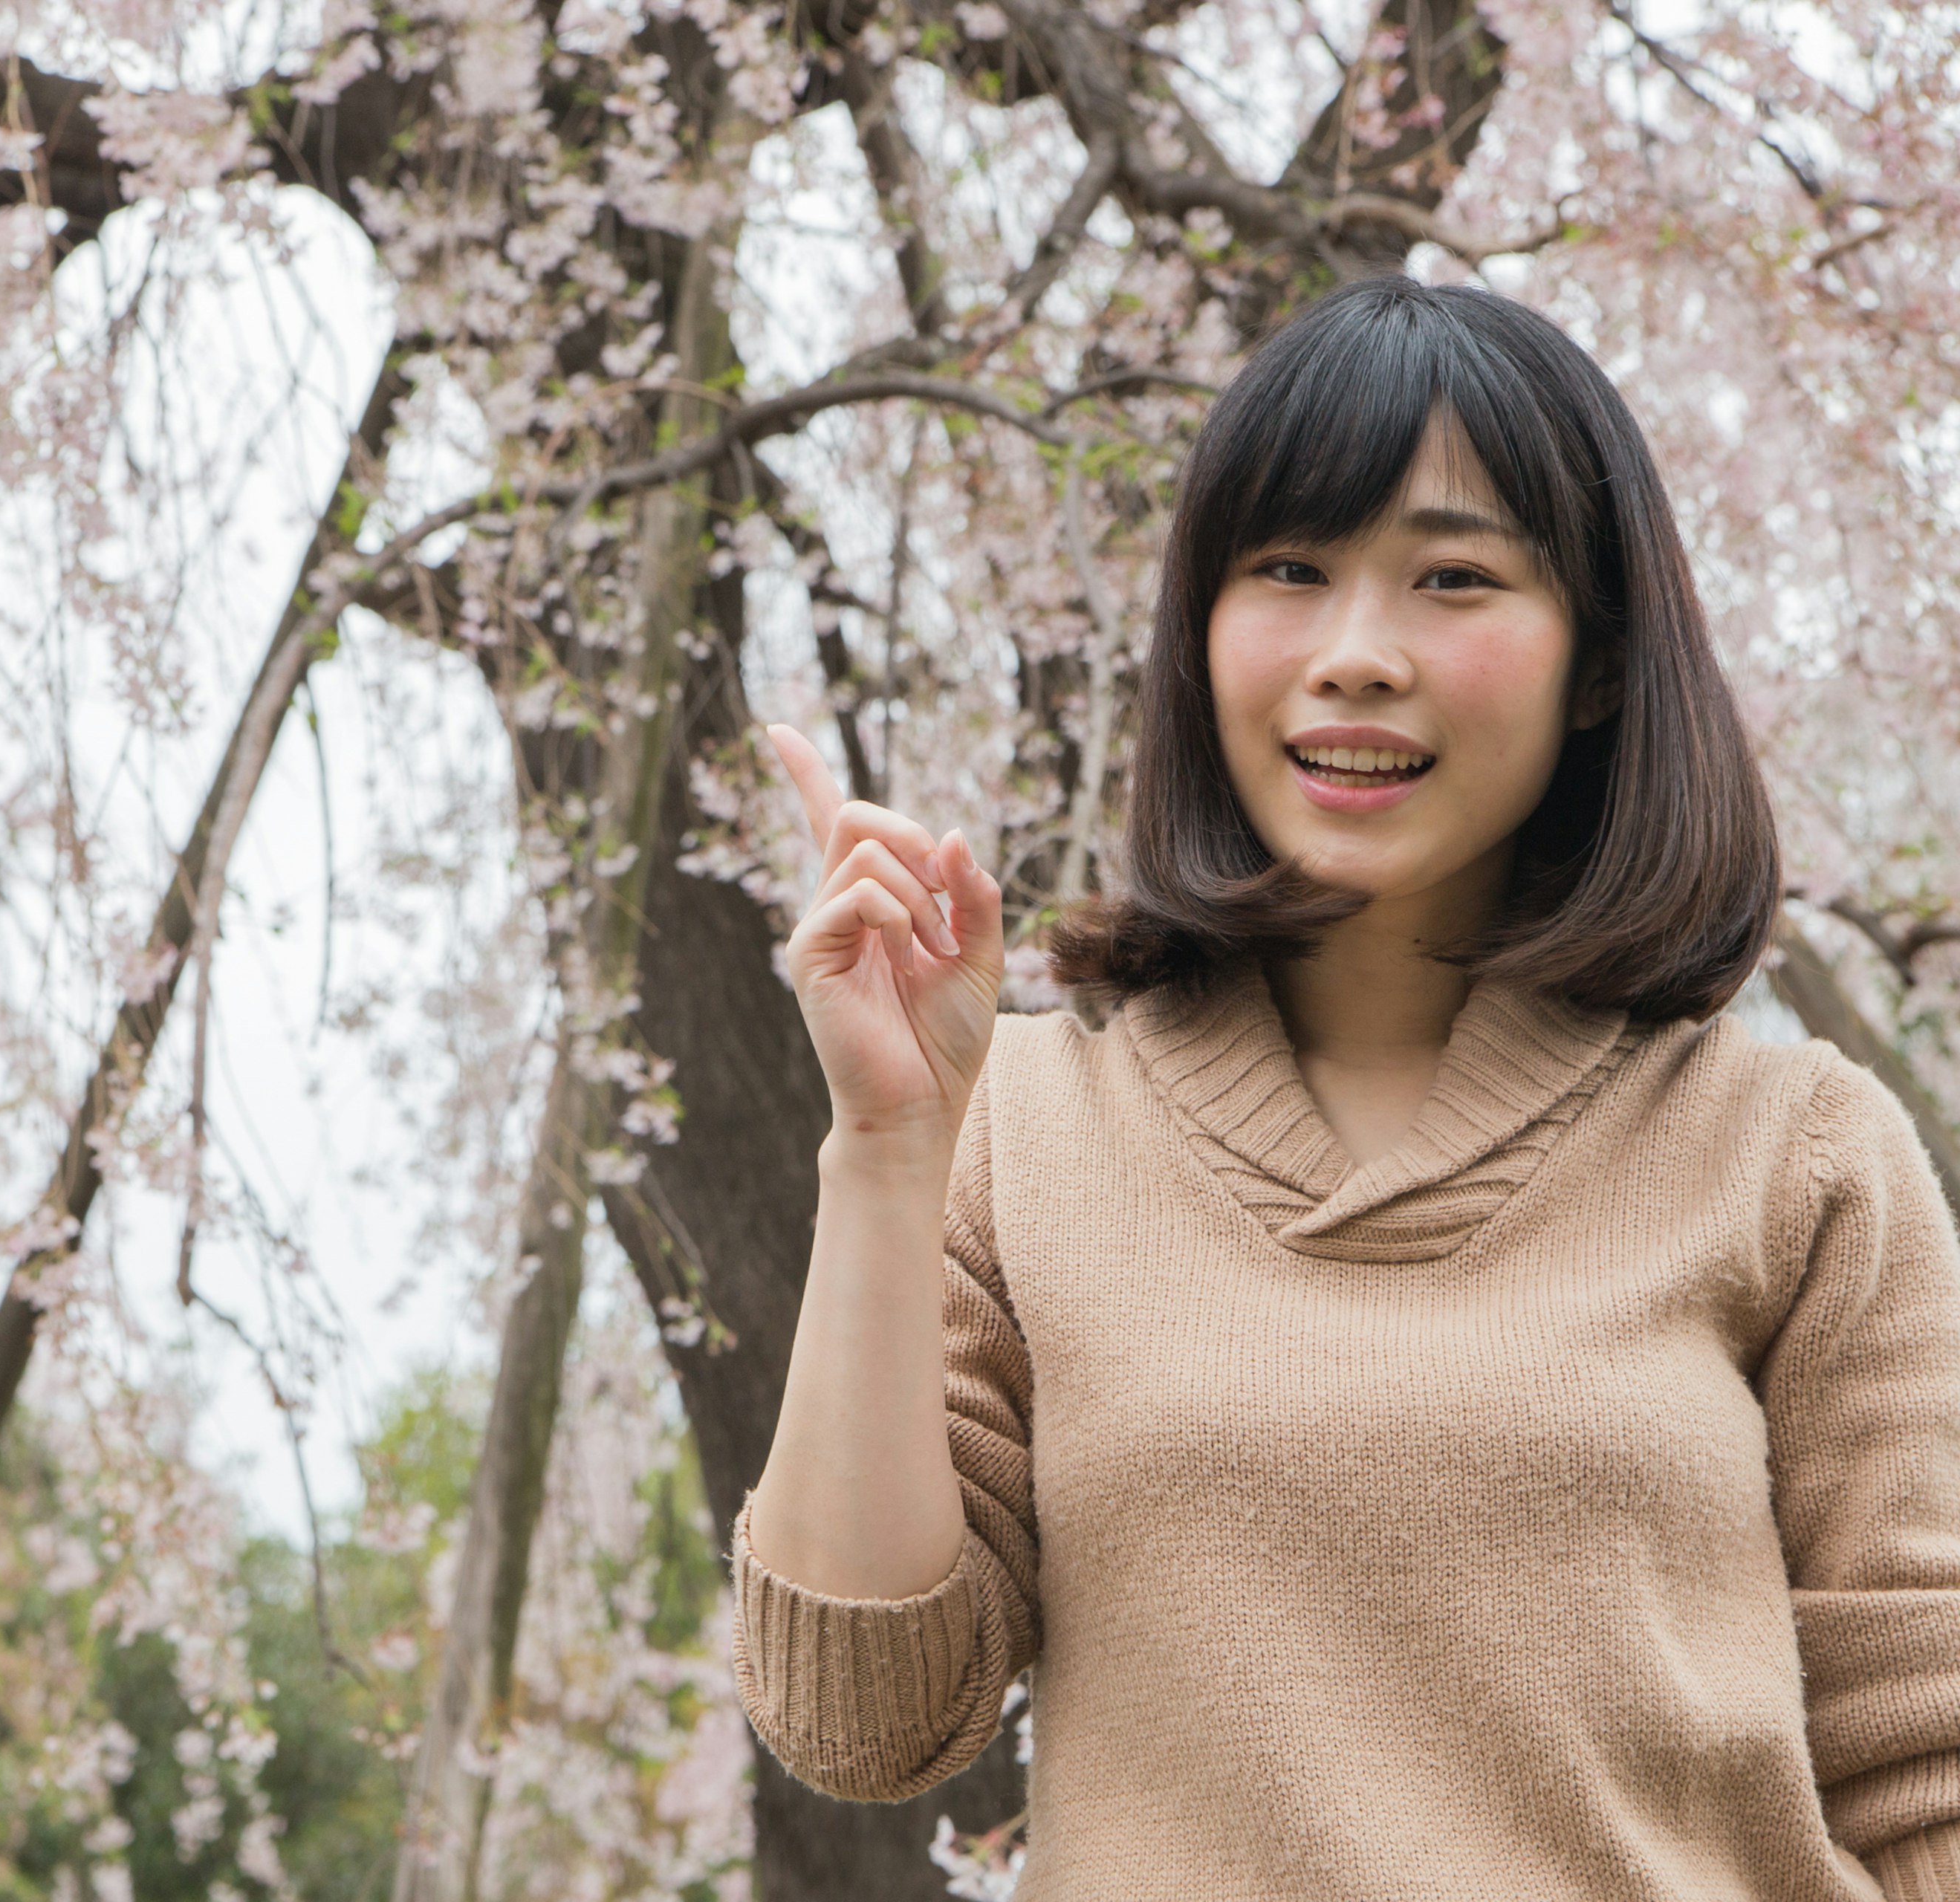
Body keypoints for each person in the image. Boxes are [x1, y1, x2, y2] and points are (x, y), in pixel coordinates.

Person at [736, 276, 1960, 1901]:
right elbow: (866, 1716)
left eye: (1453, 577)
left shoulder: (1798, 1155)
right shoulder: (1015, 1127)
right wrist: (890, 1150)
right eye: (1289, 570)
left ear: (1598, 663)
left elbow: (1925, 1768)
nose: (1355, 654)